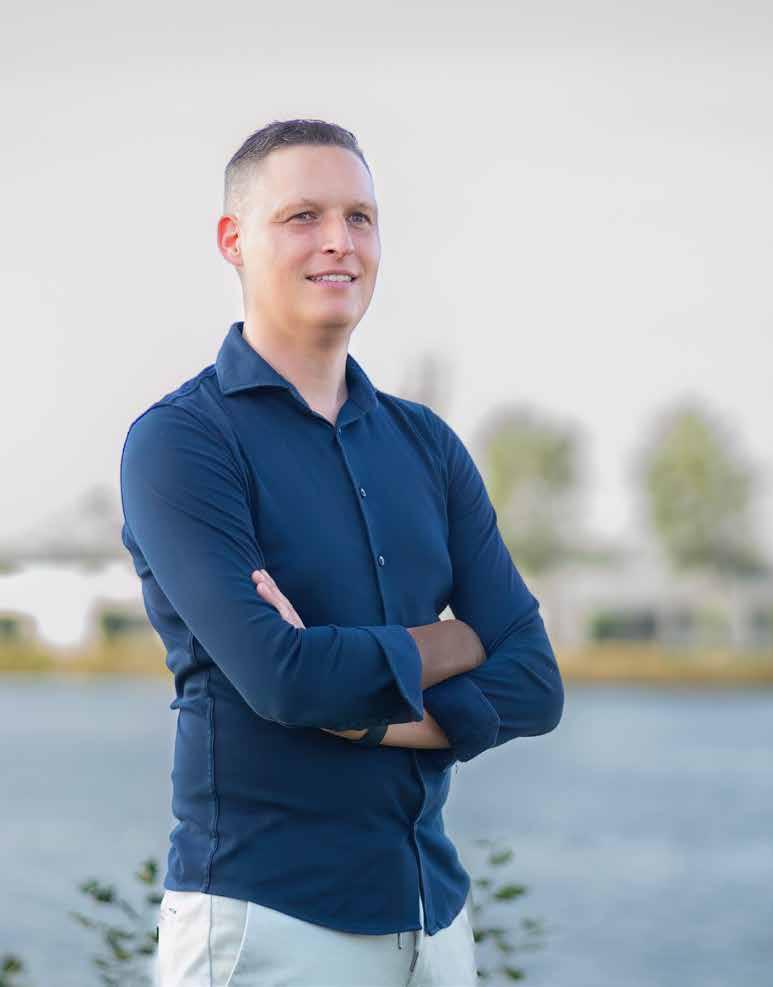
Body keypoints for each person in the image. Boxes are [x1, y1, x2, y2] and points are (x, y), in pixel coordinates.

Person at [118, 118, 565, 986]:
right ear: (233, 240)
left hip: (436, 921)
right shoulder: (181, 443)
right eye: (303, 217)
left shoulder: (426, 445)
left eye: (360, 217)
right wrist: (455, 641)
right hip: (267, 923)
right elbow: (284, 679)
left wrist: (363, 716)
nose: (339, 241)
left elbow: (537, 681)